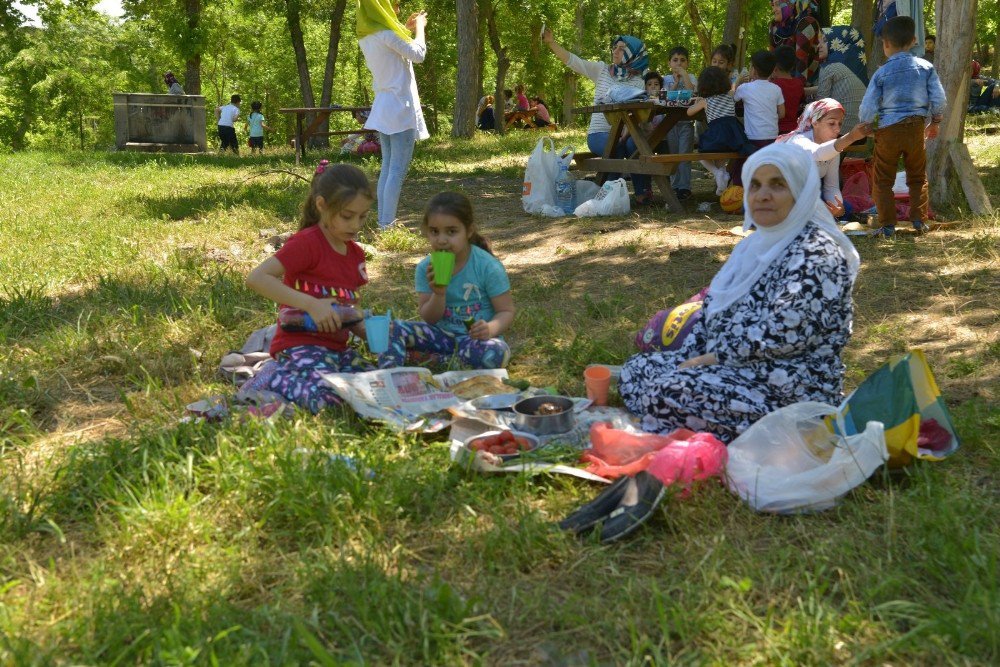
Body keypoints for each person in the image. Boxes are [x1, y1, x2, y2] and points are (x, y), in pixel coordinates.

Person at [619, 143, 860, 443]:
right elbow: (710, 312)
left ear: (801, 192)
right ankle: (679, 418)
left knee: (667, 391)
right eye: (755, 185)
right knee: (636, 369)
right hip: (732, 367)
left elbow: (784, 333)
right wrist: (689, 356)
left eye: (778, 185)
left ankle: (787, 433)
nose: (763, 195)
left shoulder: (818, 252)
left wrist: (709, 360)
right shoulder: (752, 247)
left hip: (787, 386)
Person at [245, 162, 375, 413]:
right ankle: (273, 376)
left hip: (337, 349)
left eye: (363, 216)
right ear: (322, 206)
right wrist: (311, 304)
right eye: (347, 216)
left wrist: (372, 335)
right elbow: (257, 278)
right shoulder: (308, 243)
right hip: (300, 345)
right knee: (329, 403)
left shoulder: (356, 255)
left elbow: (352, 311)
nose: (355, 225)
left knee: (371, 387)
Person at [378, 192, 514, 370]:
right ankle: (388, 376)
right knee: (391, 329)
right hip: (441, 337)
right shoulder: (426, 268)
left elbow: (506, 311)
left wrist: (490, 329)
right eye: (434, 231)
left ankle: (431, 360)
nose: (441, 240)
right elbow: (429, 319)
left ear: (469, 231)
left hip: (475, 341)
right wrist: (439, 293)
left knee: (496, 353)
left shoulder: (487, 266)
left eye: (451, 231)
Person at [858, 15, 945, 237]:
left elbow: (867, 106)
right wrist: (935, 122)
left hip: (888, 131)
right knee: (917, 176)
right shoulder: (926, 67)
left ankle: (887, 225)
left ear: (886, 44)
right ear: (914, 40)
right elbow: (939, 99)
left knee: (883, 178)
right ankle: (919, 221)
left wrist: (867, 124)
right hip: (916, 128)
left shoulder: (881, 73)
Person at [357, 0, 429, 228]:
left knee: (388, 166)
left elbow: (392, 50)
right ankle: (387, 223)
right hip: (400, 107)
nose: (397, 9)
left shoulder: (368, 37)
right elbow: (418, 54)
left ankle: (383, 220)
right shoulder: (387, 34)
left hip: (384, 106)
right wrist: (420, 28)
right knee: (397, 168)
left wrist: (405, 29)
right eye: (395, 4)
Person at [542, 27, 647, 155]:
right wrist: (551, 42)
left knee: (638, 149)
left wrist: (624, 137)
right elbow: (574, 61)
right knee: (615, 149)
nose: (615, 51)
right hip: (598, 133)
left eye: (622, 49)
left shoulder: (639, 82)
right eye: (615, 47)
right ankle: (614, 176)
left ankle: (636, 175)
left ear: (633, 53)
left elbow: (636, 116)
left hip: (627, 133)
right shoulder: (602, 70)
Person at [776, 99, 870, 218]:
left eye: (840, 124)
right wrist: (851, 137)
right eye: (831, 123)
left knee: (845, 208)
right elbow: (818, 153)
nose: (837, 129)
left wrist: (837, 208)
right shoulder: (798, 141)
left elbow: (831, 186)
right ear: (815, 122)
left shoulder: (832, 148)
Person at [688, 66, 757, 195]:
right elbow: (733, 87)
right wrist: (739, 80)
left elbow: (689, 112)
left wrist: (698, 101)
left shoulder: (705, 101)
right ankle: (722, 182)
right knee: (721, 154)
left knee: (700, 155)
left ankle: (717, 172)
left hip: (717, 135)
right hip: (734, 136)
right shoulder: (730, 95)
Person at [806, 28, 868, 133]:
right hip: (860, 133)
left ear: (838, 43)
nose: (818, 46)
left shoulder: (829, 67)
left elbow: (821, 104)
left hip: (841, 134)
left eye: (825, 41)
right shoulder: (853, 66)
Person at [625, 71, 667, 206]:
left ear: (661, 87)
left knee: (667, 149)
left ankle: (670, 190)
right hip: (641, 138)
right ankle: (641, 191)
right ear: (645, 88)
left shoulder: (665, 102)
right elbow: (630, 121)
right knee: (633, 149)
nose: (653, 87)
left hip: (659, 139)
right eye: (649, 84)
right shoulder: (639, 101)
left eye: (656, 84)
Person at [664, 46, 698, 201]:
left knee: (685, 155)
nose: (679, 63)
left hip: (686, 122)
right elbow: (666, 97)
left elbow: (693, 92)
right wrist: (676, 82)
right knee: (674, 154)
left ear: (688, 63)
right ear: (669, 63)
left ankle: (684, 187)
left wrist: (684, 76)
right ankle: (674, 186)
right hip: (669, 124)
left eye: (683, 60)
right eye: (675, 60)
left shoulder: (691, 76)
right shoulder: (666, 79)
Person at [734, 51, 785, 149]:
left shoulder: (744, 88)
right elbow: (782, 114)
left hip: (753, 137)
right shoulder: (776, 89)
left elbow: (733, 97)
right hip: (773, 136)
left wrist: (738, 80)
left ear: (754, 70)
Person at [771, 45, 805, 134]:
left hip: (775, 129)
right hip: (793, 130)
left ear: (775, 67)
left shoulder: (773, 85)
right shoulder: (799, 84)